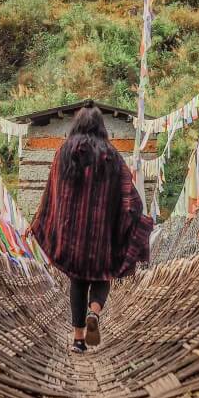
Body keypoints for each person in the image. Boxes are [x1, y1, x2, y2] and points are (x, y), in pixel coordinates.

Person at [29, 105, 153, 353]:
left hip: (71, 234)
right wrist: (136, 221)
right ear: (101, 127)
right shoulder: (112, 155)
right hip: (100, 234)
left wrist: (39, 221)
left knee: (77, 281)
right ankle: (94, 312)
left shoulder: (64, 152)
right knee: (102, 274)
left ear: (76, 125)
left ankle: (78, 340)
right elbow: (129, 198)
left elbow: (52, 192)